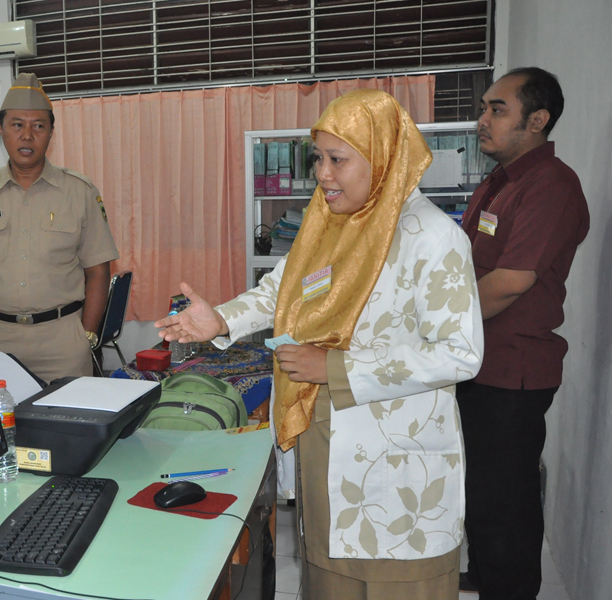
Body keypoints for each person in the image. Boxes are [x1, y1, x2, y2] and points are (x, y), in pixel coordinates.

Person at [157, 89, 483, 599]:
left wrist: (335, 366)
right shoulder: (328, 224)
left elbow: (460, 351)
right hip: (325, 450)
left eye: (337, 159)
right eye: (318, 159)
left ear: (382, 158)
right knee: (327, 580)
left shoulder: (433, 238)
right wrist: (220, 319)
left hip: (399, 476)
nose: (323, 175)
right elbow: (280, 293)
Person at [457, 67, 589, 600]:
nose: (481, 119)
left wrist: (434, 327)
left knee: (505, 500)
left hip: (513, 372)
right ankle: (488, 577)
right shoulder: (497, 182)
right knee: (483, 492)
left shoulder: (550, 186)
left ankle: (507, 589)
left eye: (497, 109)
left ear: (537, 120)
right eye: (484, 107)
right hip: (478, 361)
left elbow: (510, 283)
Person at [0, 73, 119, 383]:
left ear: (51, 132)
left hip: (63, 340)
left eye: (38, 126)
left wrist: (87, 333)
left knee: (66, 427)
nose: (27, 135)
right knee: (0, 428)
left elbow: (98, 270)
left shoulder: (79, 191)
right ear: (1, 130)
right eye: (17, 125)